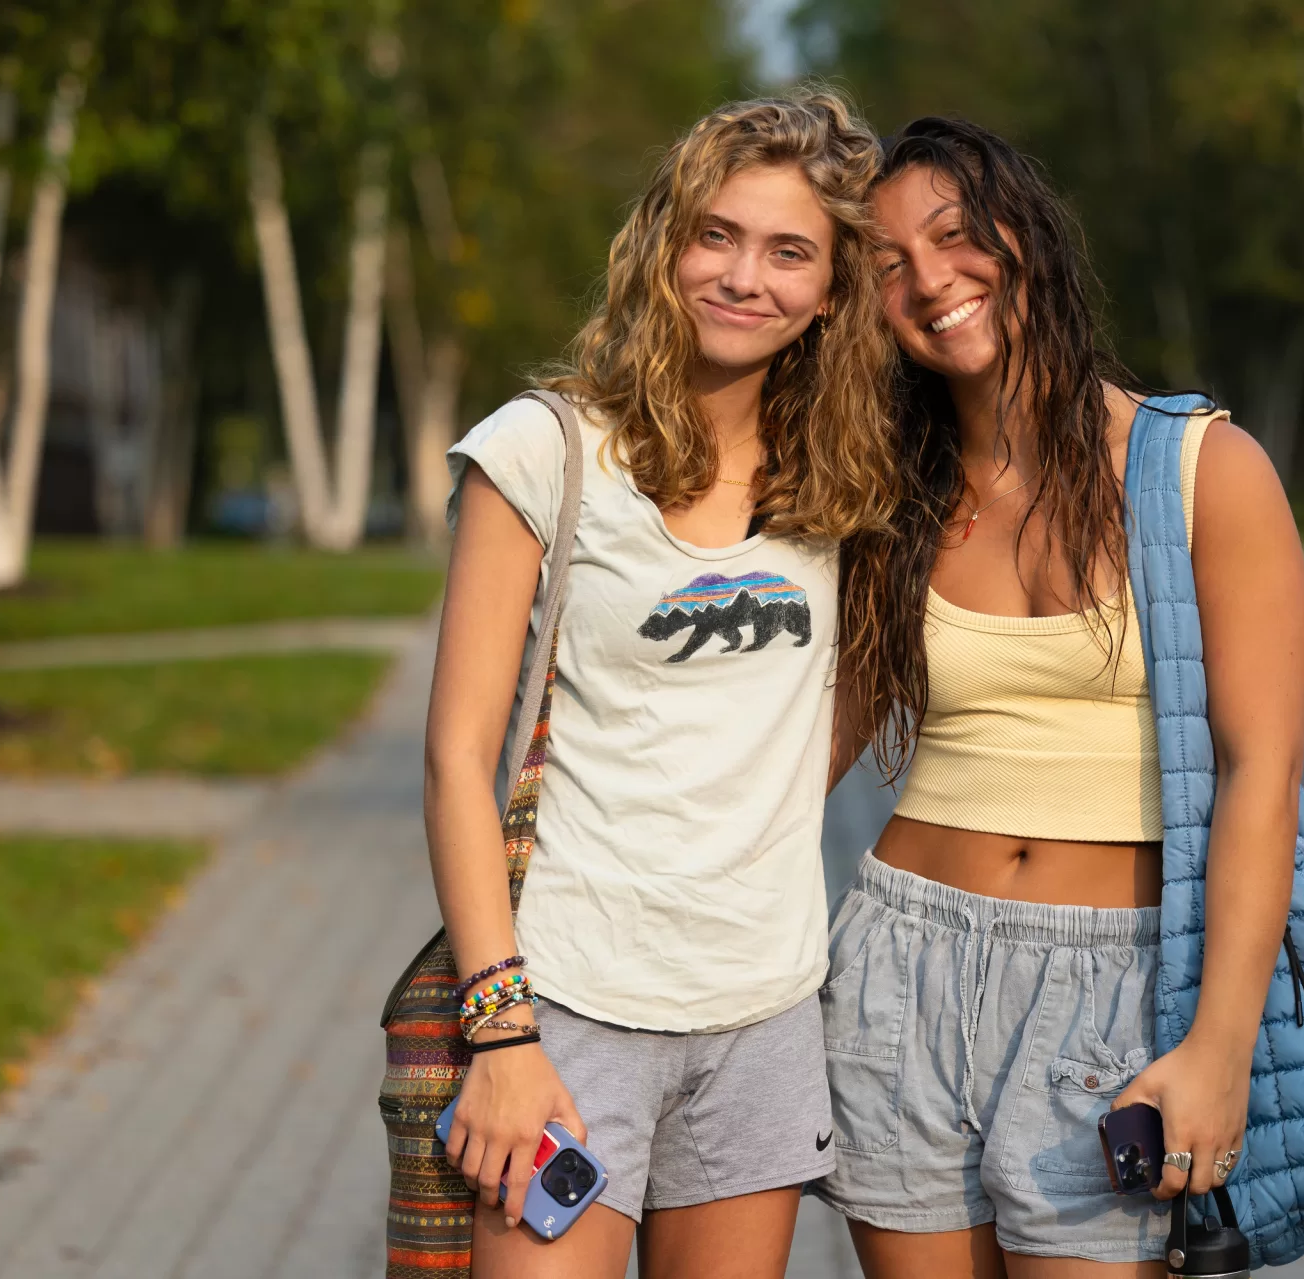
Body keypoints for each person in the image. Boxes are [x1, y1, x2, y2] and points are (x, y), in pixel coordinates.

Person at [820, 117, 1304, 1276]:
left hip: (1115, 989)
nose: (928, 279)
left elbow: (1261, 773)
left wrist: (1219, 1048)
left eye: (950, 235)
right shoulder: (885, 495)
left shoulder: (1202, 471)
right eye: (885, 265)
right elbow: (803, 752)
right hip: (900, 962)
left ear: (1023, 236)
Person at [426, 89, 895, 1278]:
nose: (745, 277)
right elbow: (451, 761)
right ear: (663, 245)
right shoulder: (543, 449)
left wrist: (756, 800)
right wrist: (501, 1030)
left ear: (832, 287)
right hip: (568, 1008)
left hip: (764, 1012)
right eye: (716, 235)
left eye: (790, 251)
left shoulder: (843, 480)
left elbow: (855, 692)